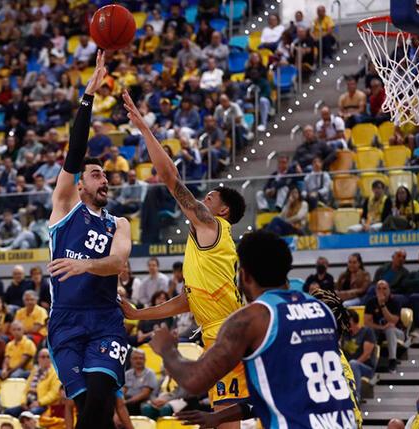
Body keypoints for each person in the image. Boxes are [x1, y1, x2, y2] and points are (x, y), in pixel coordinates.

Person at [121, 90, 249, 428]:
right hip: (217, 334)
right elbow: (189, 299)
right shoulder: (206, 245)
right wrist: (138, 313)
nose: (204, 198)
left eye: (211, 196)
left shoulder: (213, 225)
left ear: (224, 210)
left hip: (227, 334)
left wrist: (145, 129)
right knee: (225, 420)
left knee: (228, 423)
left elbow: (171, 179)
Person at [149, 231, 356, 428]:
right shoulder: (322, 311)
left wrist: (167, 348)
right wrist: (218, 417)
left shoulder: (251, 319)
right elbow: (281, 392)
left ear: (244, 275)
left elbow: (194, 381)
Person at [44, 51, 132, 429]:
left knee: (98, 401)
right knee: (91, 412)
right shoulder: (64, 208)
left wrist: (84, 265)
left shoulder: (120, 223)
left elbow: (118, 263)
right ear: (80, 185)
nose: (104, 179)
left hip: (105, 320)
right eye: (96, 175)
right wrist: (88, 96)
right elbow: (74, 153)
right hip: (65, 321)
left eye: (105, 175)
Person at [364, 280, 405, 372]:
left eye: (384, 288)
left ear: (389, 290)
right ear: (375, 291)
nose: (382, 291)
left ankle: (392, 360)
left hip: (397, 332)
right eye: (379, 288)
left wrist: (382, 305)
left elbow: (393, 321)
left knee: (390, 329)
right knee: (368, 330)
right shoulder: (371, 302)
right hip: (380, 331)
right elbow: (367, 322)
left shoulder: (395, 301)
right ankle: (370, 363)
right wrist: (381, 327)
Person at [341, 309, 376, 402]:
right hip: (348, 367)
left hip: (366, 368)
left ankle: (356, 397)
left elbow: (367, 355)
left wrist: (349, 367)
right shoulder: (345, 334)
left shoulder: (367, 332)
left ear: (352, 320)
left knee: (353, 364)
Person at [123, 349, 158, 416]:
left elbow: (145, 394)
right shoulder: (127, 374)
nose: (138, 361)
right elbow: (123, 391)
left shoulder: (150, 373)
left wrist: (126, 402)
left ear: (145, 360)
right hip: (128, 400)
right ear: (131, 360)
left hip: (143, 401)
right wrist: (120, 401)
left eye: (140, 358)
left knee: (129, 407)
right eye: (135, 358)